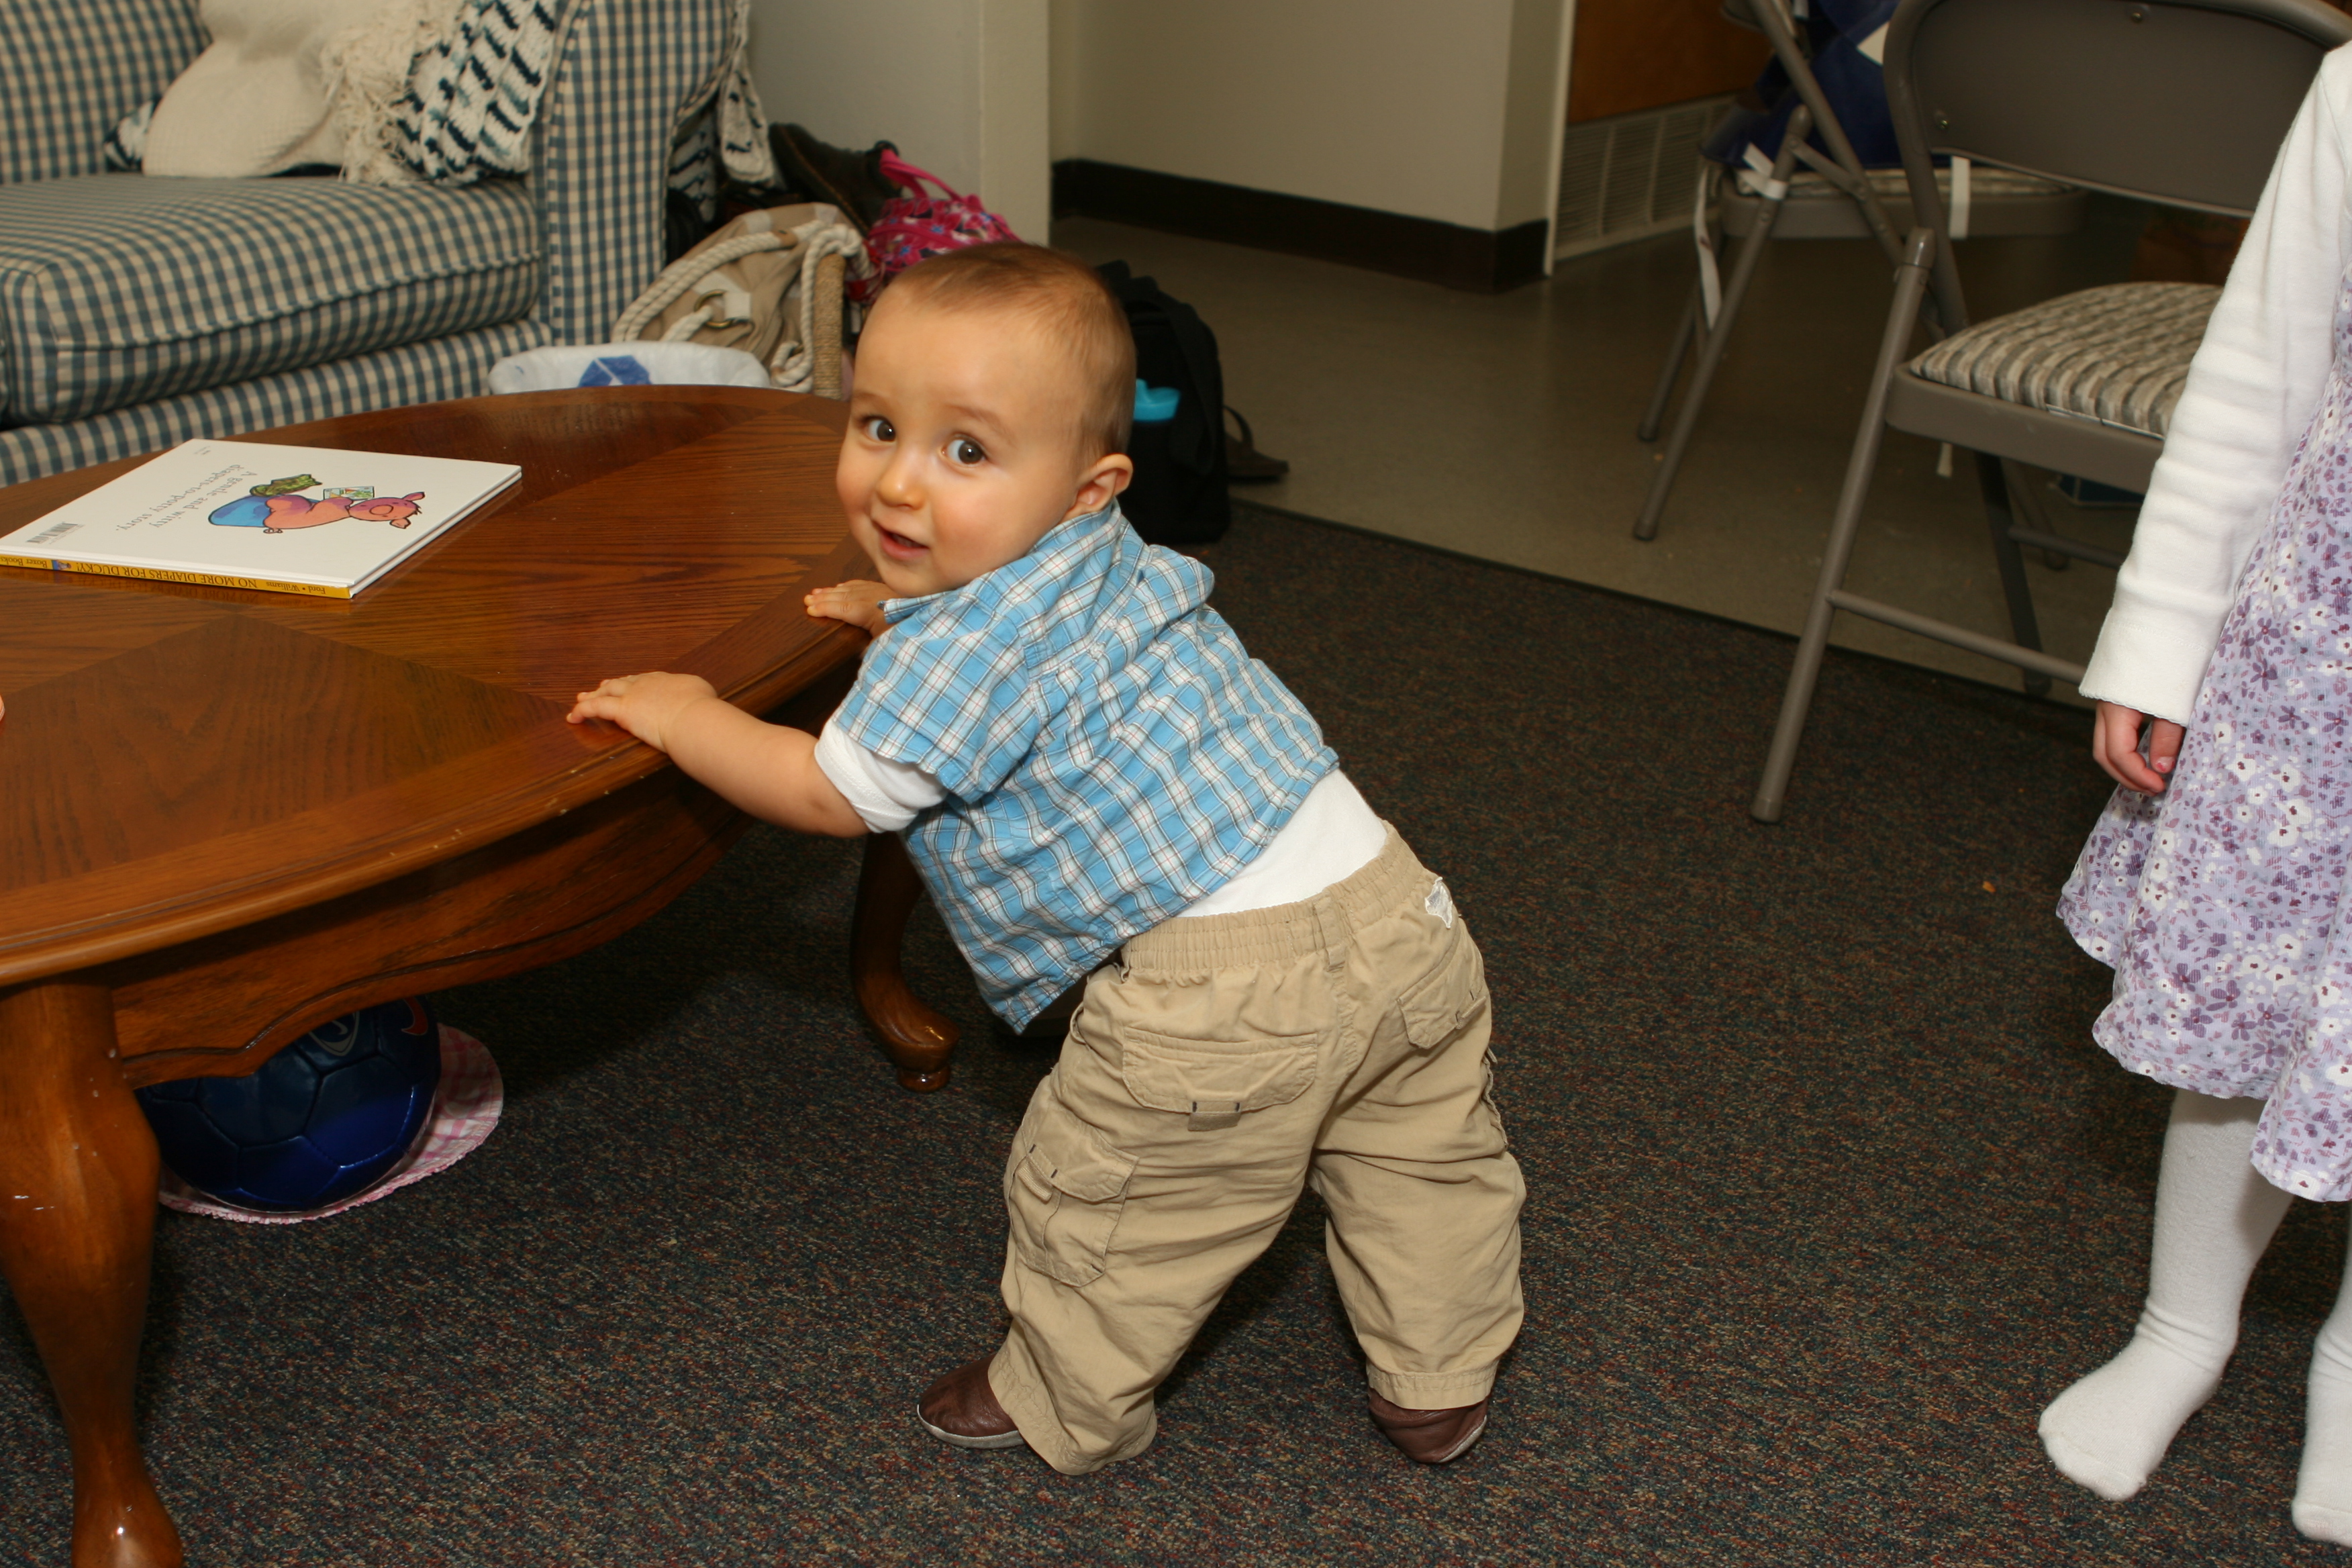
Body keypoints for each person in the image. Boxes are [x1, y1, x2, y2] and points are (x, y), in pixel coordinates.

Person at [567, 242, 1524, 1473]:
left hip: (1221, 1005)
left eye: (965, 451)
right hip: (1401, 916)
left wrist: (688, 713)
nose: (900, 483)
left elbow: (827, 792)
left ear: (1085, 486)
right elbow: (1025, 633)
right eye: (877, 426)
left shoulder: (953, 656)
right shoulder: (1105, 548)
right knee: (1424, 1163)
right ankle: (1440, 1382)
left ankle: (1065, 1402)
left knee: (1118, 1210)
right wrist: (895, 609)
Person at [2046, 47, 2352, 1544]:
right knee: (2244, 1005)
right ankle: (2182, 1328)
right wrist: (2161, 640)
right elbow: (2252, 385)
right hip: (2318, 684)